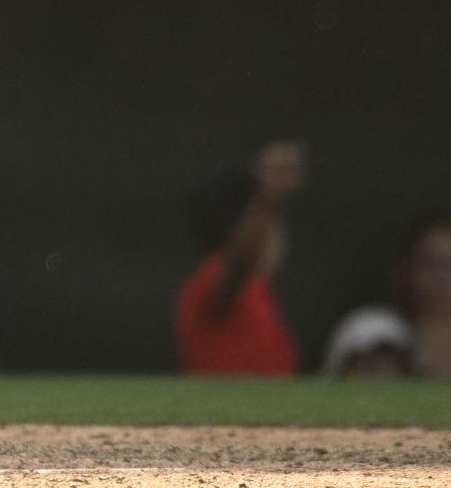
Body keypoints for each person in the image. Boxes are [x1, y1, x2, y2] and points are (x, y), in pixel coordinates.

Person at [175, 139, 305, 376]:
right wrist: (266, 203)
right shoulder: (212, 276)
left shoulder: (257, 290)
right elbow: (239, 266)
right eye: (272, 225)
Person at [324, 212, 451, 377]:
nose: (441, 278)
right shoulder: (371, 330)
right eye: (429, 264)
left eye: (450, 265)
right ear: (405, 270)